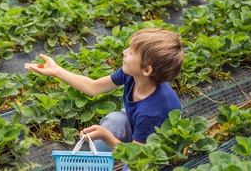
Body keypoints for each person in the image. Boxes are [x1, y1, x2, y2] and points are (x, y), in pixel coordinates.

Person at [24, 28, 184, 154]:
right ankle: (100, 163)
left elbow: (137, 155)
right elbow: (93, 87)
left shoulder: (152, 112)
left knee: (133, 167)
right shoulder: (131, 75)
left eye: (131, 52)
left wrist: (105, 136)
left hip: (155, 147)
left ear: (147, 70)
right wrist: (56, 70)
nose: (124, 51)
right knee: (114, 120)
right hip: (138, 125)